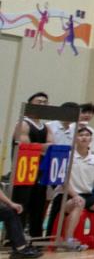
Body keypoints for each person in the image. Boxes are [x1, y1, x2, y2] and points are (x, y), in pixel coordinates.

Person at [57, 127, 94, 249]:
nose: (84, 137)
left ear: (91, 139)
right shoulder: (67, 156)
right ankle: (68, 240)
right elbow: (63, 181)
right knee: (79, 202)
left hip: (88, 195)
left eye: (87, 135)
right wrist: (75, 196)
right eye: (81, 135)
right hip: (67, 195)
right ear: (75, 139)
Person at [11, 91, 54, 239]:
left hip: (40, 170)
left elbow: (51, 146)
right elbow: (25, 147)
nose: (42, 104)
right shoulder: (23, 123)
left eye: (45, 102)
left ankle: (35, 236)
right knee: (22, 203)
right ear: (30, 104)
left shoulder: (46, 126)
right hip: (23, 171)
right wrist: (42, 147)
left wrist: (39, 147)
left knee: (38, 204)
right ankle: (16, 238)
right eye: (39, 101)